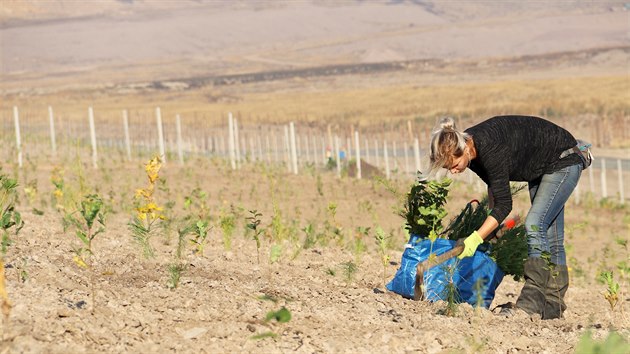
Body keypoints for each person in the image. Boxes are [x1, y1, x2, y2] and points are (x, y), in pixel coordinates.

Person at [429, 115, 591, 320]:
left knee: (534, 223)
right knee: (551, 235)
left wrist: (476, 238)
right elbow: (495, 188)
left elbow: (505, 205)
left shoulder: (488, 146)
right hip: (539, 167)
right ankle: (553, 306)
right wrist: (491, 226)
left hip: (563, 159)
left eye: (453, 165)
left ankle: (531, 303)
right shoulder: (471, 150)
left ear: (462, 149)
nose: (453, 172)